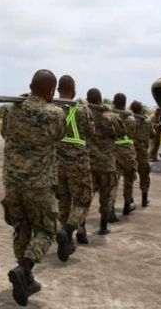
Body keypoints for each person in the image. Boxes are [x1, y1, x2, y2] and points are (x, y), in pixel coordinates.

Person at [0, 70, 66, 306]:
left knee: (21, 229)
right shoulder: (56, 113)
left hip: (12, 183)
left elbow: (5, 132)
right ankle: (24, 268)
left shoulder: (10, 110)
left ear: (29, 86)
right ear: (51, 91)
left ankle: (26, 279)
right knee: (47, 230)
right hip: (39, 184)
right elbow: (59, 136)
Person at [54, 75, 94, 262]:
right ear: (74, 89)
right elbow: (91, 132)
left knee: (64, 200)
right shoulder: (81, 109)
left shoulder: (53, 108)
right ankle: (68, 229)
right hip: (77, 161)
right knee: (83, 200)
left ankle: (67, 241)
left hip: (57, 162)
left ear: (58, 90)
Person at [86, 88, 120, 235]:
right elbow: (121, 132)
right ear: (100, 100)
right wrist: (110, 113)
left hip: (89, 162)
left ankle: (81, 227)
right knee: (106, 196)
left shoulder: (84, 113)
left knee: (85, 197)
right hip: (106, 163)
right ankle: (103, 226)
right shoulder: (109, 116)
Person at [111, 93, 138, 219]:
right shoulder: (131, 119)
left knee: (113, 183)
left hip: (114, 151)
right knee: (129, 180)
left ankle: (110, 210)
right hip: (128, 152)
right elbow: (133, 135)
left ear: (114, 102)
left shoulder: (110, 117)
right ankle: (127, 205)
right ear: (125, 103)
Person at [130, 101, 153, 207]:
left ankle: (129, 201)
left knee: (129, 177)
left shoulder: (128, 120)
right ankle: (144, 199)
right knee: (144, 176)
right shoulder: (147, 121)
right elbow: (152, 135)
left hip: (130, 152)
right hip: (142, 153)